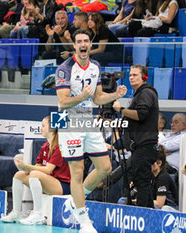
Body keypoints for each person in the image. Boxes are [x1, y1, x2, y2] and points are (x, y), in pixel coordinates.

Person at [55, 28, 127, 232]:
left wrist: (114, 95)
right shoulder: (64, 68)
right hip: (68, 120)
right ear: (75, 45)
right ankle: (83, 220)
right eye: (79, 41)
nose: (83, 44)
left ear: (90, 44)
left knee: (105, 168)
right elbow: (62, 102)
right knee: (76, 172)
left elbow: (97, 99)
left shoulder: (95, 66)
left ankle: (76, 200)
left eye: (86, 40)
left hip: (87, 119)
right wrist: (82, 97)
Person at [0, 116, 70, 224]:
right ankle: (16, 213)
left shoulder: (60, 146)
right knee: (19, 175)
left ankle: (38, 214)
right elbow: (36, 168)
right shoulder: (45, 147)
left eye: (43, 126)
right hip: (50, 181)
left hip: (63, 185)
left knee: (34, 174)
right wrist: (23, 167)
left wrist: (29, 167)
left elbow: (47, 170)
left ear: (52, 128)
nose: (41, 128)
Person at [113, 64, 159, 208]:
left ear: (144, 77)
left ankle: (143, 216)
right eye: (130, 75)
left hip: (144, 146)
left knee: (142, 183)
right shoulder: (140, 94)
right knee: (142, 182)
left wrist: (121, 109)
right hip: (141, 146)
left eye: (135, 75)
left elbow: (140, 115)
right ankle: (150, 215)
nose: (131, 77)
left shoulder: (145, 93)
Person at [152, 145, 178, 209]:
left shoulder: (163, 177)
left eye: (152, 162)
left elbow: (159, 204)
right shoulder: (151, 176)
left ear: (159, 163)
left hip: (170, 208)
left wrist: (140, 200)